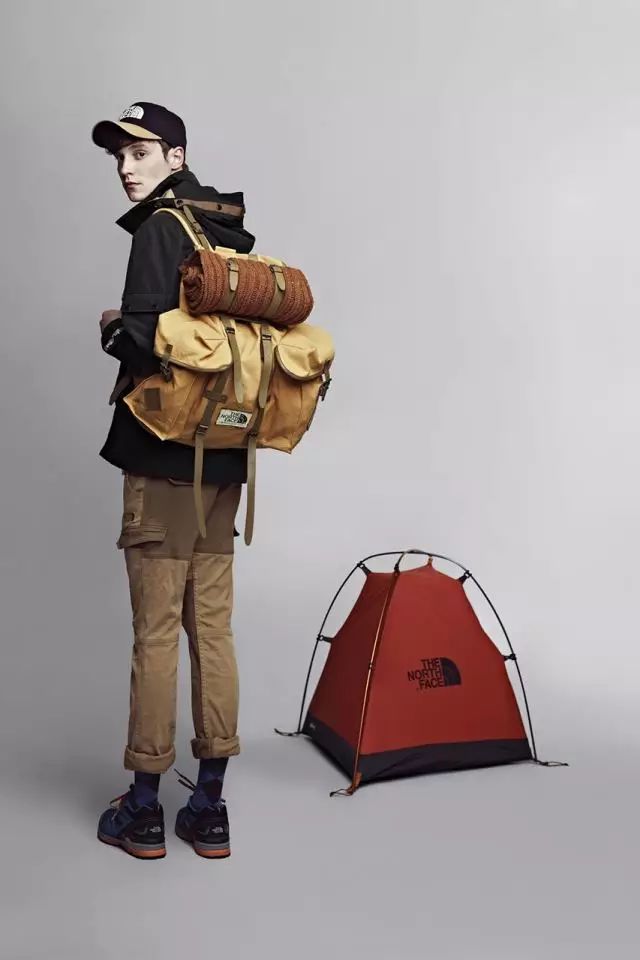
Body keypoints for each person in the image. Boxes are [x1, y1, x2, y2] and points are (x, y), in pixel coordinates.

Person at [92, 102, 255, 860]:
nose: (128, 167)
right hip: (223, 459)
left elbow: (145, 339)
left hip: (162, 464)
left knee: (156, 633)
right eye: (119, 156)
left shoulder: (161, 227)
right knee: (212, 630)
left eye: (141, 152)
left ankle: (144, 809)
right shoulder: (227, 226)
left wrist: (109, 326)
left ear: (175, 156)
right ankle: (210, 807)